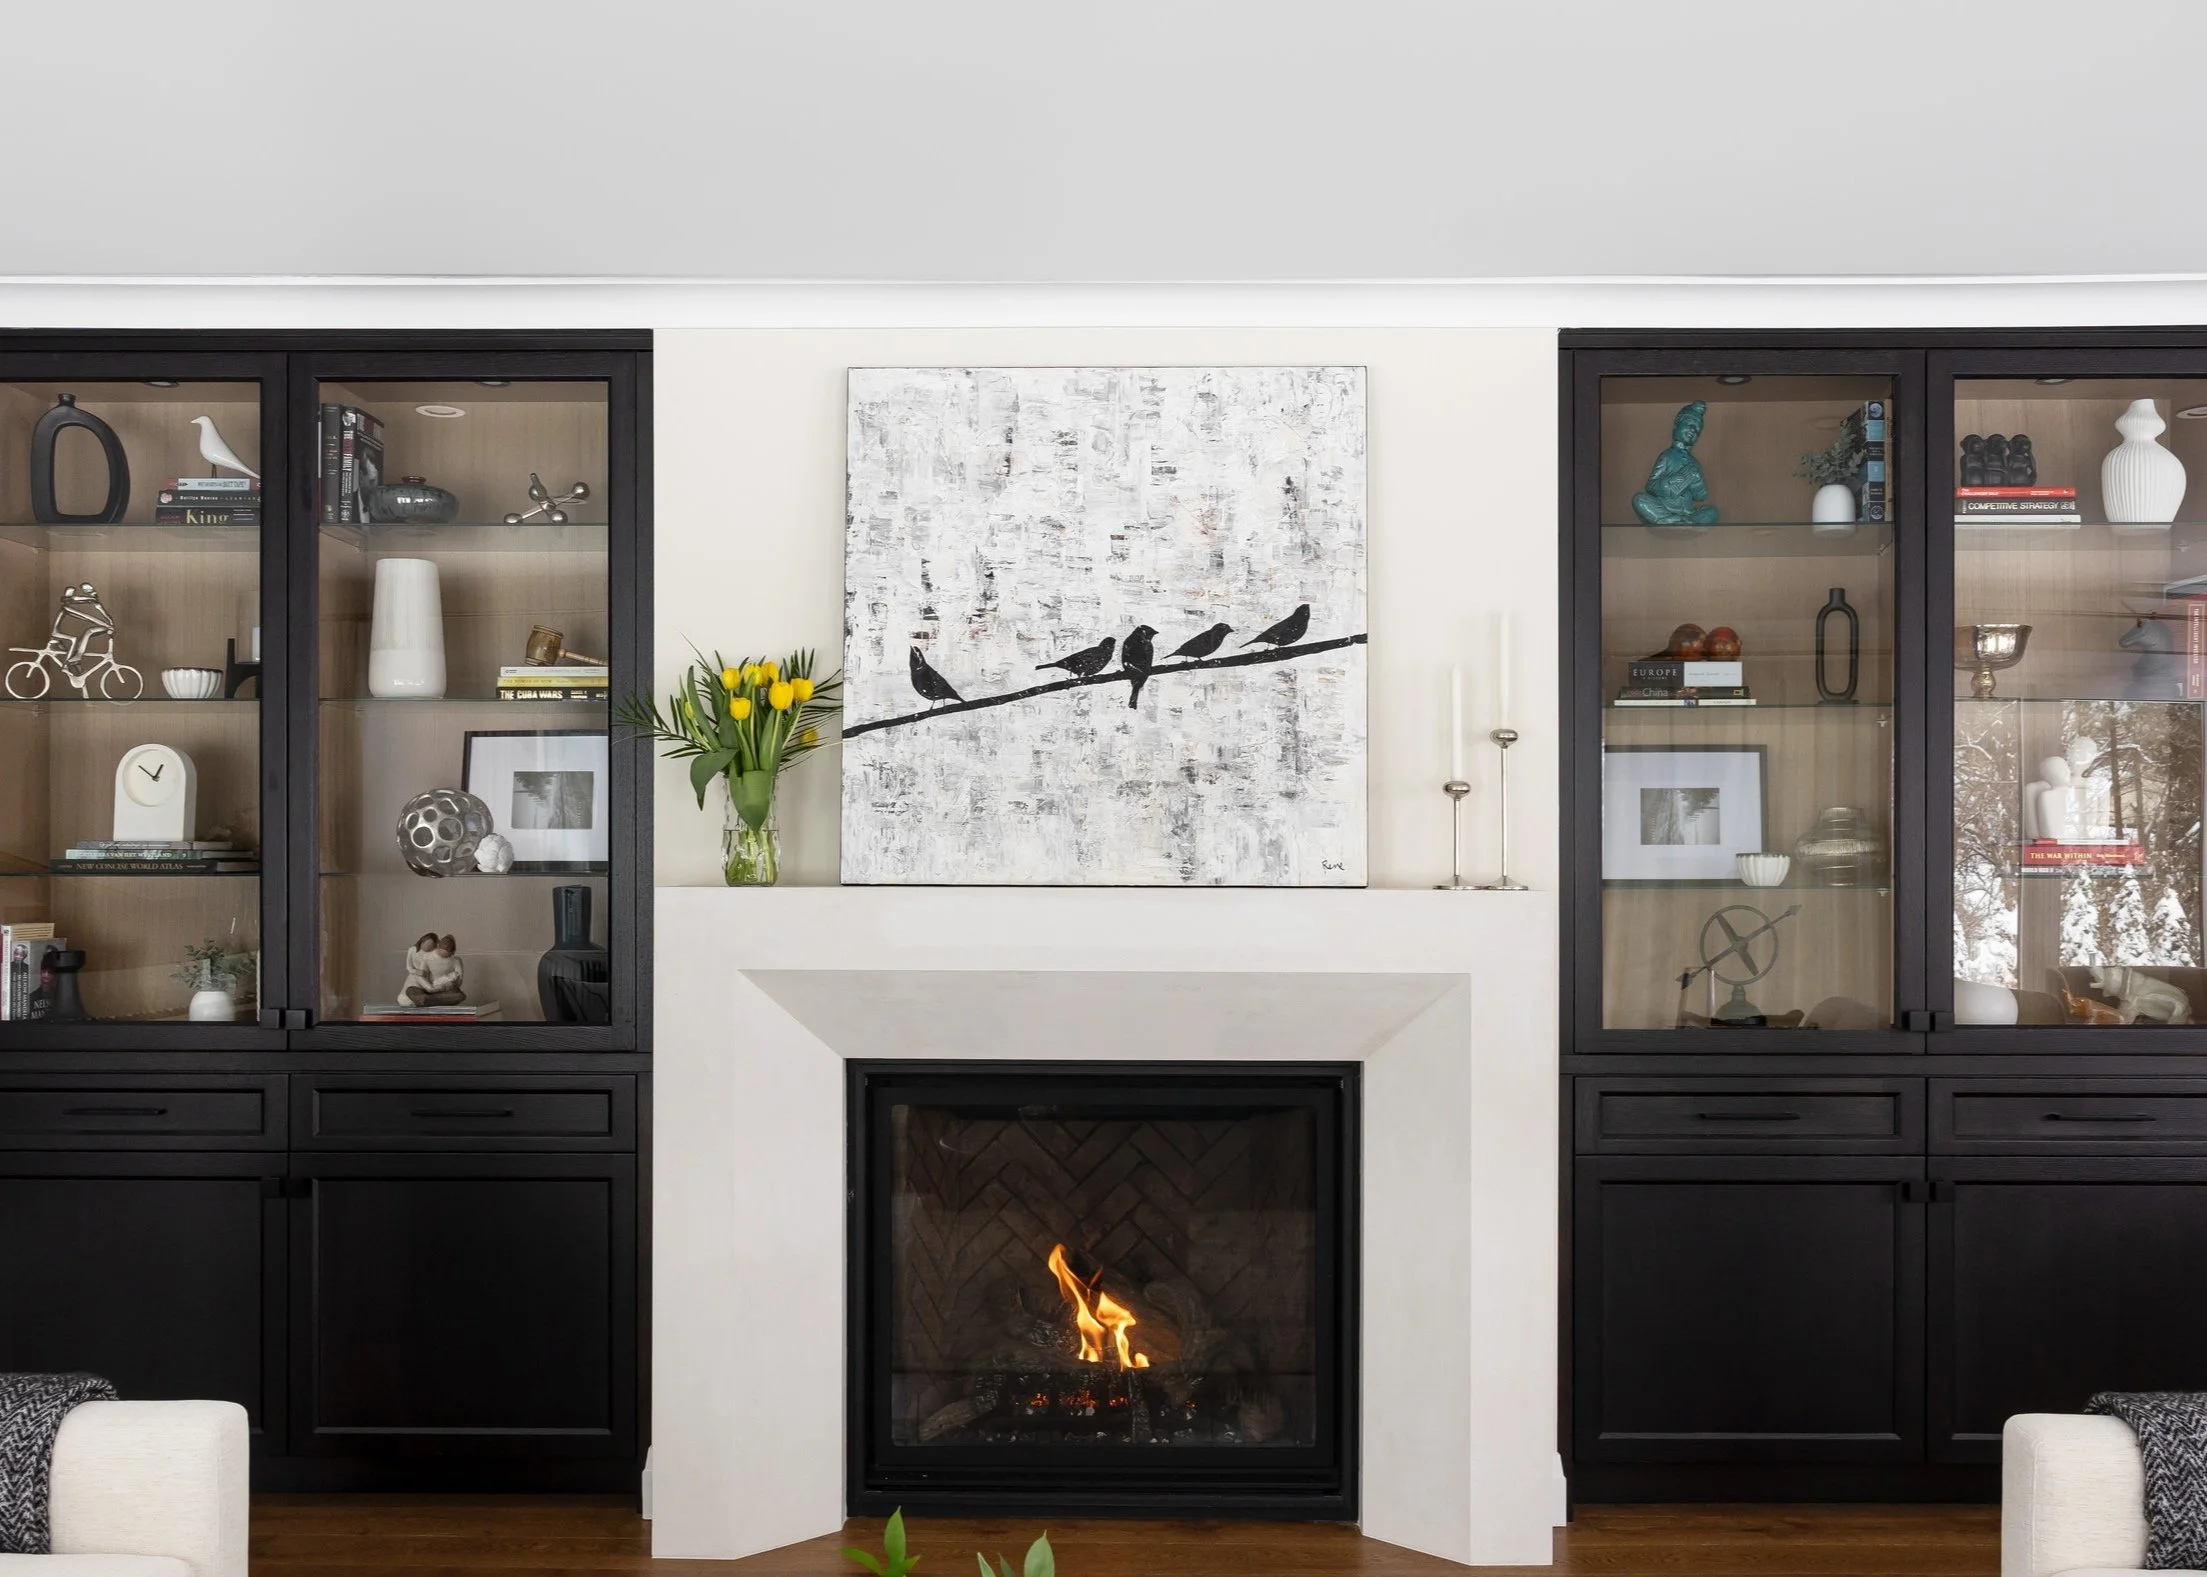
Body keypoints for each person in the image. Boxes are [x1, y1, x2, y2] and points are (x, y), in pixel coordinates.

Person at [1632, 401, 1720, 526]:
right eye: (1689, 425)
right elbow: (1651, 486)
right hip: (1666, 508)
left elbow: (1701, 496)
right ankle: (1667, 519)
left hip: (1688, 513)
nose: (1693, 430)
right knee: (1639, 499)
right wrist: (1669, 483)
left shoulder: (1695, 463)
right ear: (1676, 426)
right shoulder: (1667, 456)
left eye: (1697, 430)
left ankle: (1688, 521)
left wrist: (1697, 481)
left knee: (1712, 511)